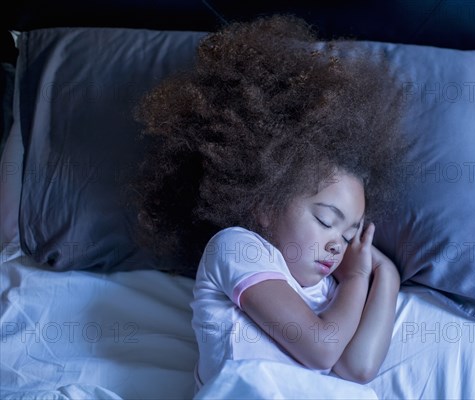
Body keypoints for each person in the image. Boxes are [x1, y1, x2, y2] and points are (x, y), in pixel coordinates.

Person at [131, 15, 406, 387]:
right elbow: (321, 349)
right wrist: (358, 276)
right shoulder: (237, 249)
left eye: (348, 235)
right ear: (265, 205)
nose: (337, 246)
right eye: (326, 221)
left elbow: (358, 368)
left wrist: (386, 276)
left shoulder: (332, 294)